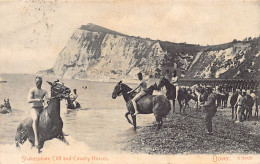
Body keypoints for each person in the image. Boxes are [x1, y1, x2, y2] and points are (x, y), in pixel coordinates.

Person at [27, 76, 49, 148]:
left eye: (39, 82)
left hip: (42, 109)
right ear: (35, 82)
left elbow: (47, 99)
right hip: (34, 109)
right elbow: (28, 100)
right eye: (37, 82)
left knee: (51, 117)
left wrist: (47, 102)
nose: (38, 83)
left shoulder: (44, 91)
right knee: (36, 119)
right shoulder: (33, 90)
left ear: (41, 82)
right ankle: (36, 139)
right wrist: (37, 100)